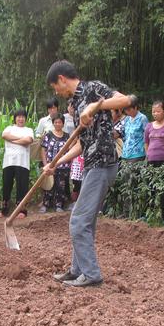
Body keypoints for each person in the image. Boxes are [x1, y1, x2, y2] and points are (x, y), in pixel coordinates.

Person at [44, 60, 132, 287]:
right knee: (85, 222)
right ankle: (77, 270)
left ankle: (92, 276)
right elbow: (83, 143)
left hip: (103, 163)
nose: (57, 92)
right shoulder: (74, 103)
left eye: (55, 87)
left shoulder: (92, 88)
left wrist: (95, 107)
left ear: (62, 79)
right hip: (91, 165)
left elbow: (127, 99)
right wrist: (57, 161)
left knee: (78, 222)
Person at [0, 109, 33, 218]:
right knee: (6, 186)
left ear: (25, 119)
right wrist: (20, 140)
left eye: (23, 117)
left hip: (22, 162)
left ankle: (22, 211)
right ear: (15, 118)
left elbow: (28, 140)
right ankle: (4, 210)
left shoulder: (28, 130)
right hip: (8, 162)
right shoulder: (9, 128)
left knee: (22, 186)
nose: (21, 119)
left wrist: (12, 140)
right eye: (18, 116)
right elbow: (4, 135)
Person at [144, 99, 164, 223]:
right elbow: (146, 143)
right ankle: (151, 215)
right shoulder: (149, 126)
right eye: (153, 112)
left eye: (158, 111)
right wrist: (148, 155)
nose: (155, 114)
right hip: (151, 160)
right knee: (151, 188)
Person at [40, 114, 70, 212]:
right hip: (50, 165)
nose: (57, 124)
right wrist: (45, 164)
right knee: (48, 186)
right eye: (56, 122)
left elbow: (70, 150)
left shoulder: (67, 136)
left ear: (63, 123)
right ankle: (45, 204)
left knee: (61, 186)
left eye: (60, 122)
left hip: (63, 166)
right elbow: (43, 150)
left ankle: (59, 205)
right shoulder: (48, 135)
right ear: (53, 123)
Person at [121, 95, 148, 162]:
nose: (127, 112)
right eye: (125, 110)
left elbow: (146, 136)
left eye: (129, 109)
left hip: (138, 153)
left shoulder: (142, 118)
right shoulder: (126, 119)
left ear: (135, 107)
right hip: (125, 153)